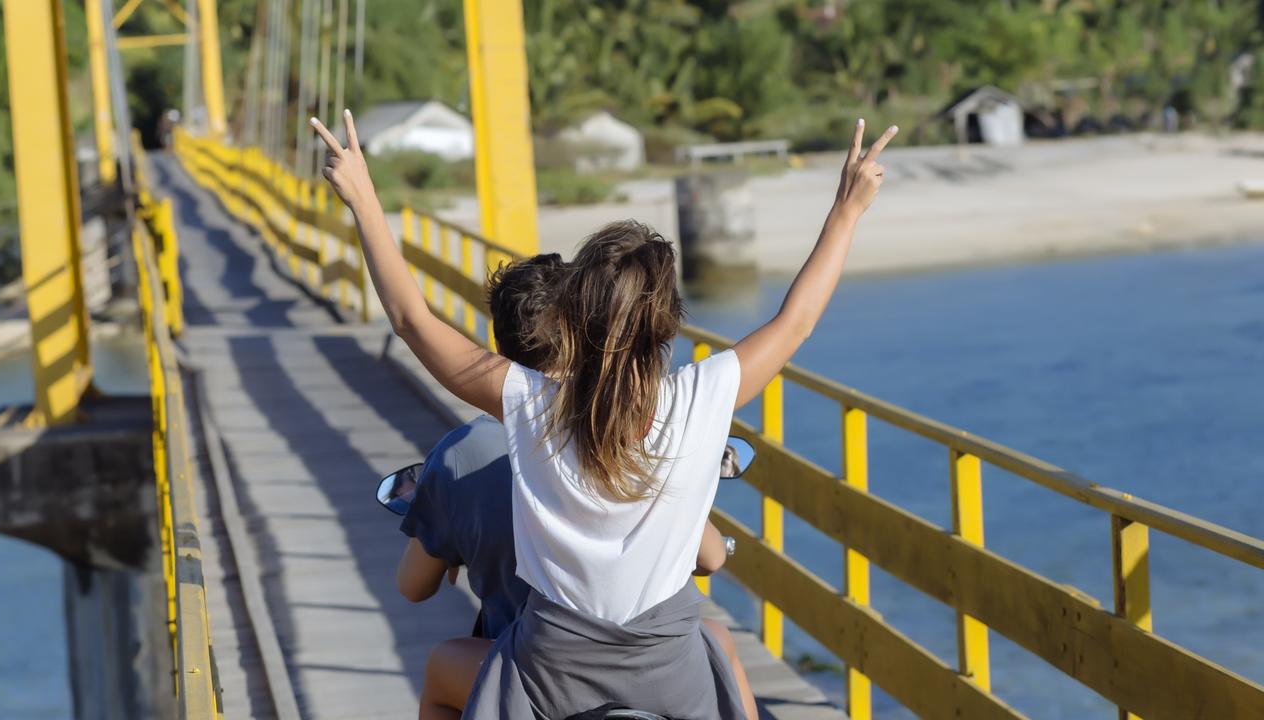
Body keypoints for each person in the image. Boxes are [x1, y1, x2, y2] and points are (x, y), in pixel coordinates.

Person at [311, 110, 894, 718]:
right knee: (720, 667)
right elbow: (795, 322)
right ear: (667, 322)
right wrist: (846, 211)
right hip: (668, 671)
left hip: (550, 673)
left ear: (573, 314)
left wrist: (364, 199)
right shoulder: (700, 396)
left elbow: (411, 321)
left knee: (443, 677)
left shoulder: (531, 403)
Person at [395, 253, 757, 718]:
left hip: (541, 676)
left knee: (441, 667)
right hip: (657, 675)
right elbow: (709, 557)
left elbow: (412, 587)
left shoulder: (458, 456)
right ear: (589, 331)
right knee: (719, 644)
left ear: (497, 341)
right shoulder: (628, 428)